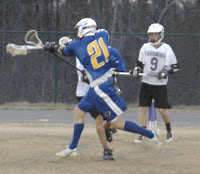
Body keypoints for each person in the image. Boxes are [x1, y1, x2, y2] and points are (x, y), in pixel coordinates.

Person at [44, 18, 162, 159]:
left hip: (101, 87)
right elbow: (100, 35)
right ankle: (72, 147)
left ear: (83, 28)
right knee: (78, 112)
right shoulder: (102, 36)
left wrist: (52, 48)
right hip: (99, 85)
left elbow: (64, 51)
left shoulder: (76, 45)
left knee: (116, 123)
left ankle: (151, 135)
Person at [130, 23, 180, 143]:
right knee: (142, 108)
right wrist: (136, 70)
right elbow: (139, 64)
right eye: (151, 34)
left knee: (162, 109)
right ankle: (142, 132)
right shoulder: (145, 47)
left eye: (155, 34)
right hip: (146, 82)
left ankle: (169, 130)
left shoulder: (166, 48)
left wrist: (166, 71)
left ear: (161, 35)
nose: (153, 37)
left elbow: (175, 66)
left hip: (159, 85)